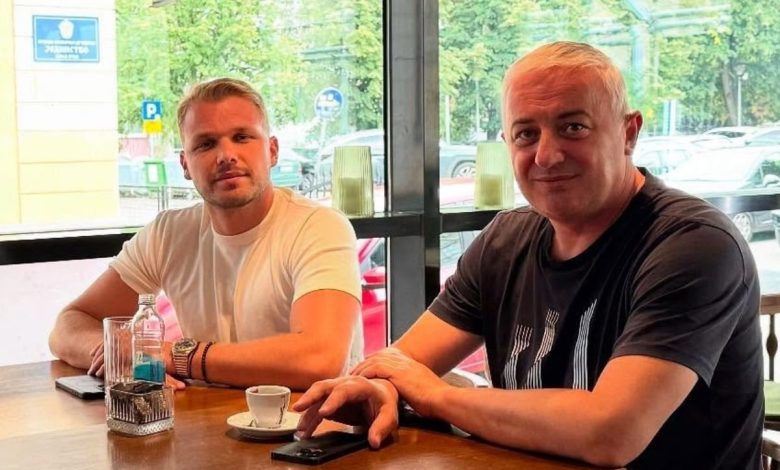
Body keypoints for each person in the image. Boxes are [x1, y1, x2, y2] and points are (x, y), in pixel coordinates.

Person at [294, 42, 763, 469]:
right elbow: (403, 362)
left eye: (573, 127)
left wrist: (435, 395)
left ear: (628, 132)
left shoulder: (694, 245)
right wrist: (377, 388)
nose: (546, 155)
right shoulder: (506, 240)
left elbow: (611, 432)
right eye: (526, 134)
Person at [49, 78, 363, 390]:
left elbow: (319, 359)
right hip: (206, 418)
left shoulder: (319, 226)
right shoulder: (168, 234)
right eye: (206, 144)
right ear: (185, 164)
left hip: (308, 420)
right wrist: (116, 353)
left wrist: (173, 356)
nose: (226, 155)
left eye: (242, 137)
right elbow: (69, 324)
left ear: (272, 150)